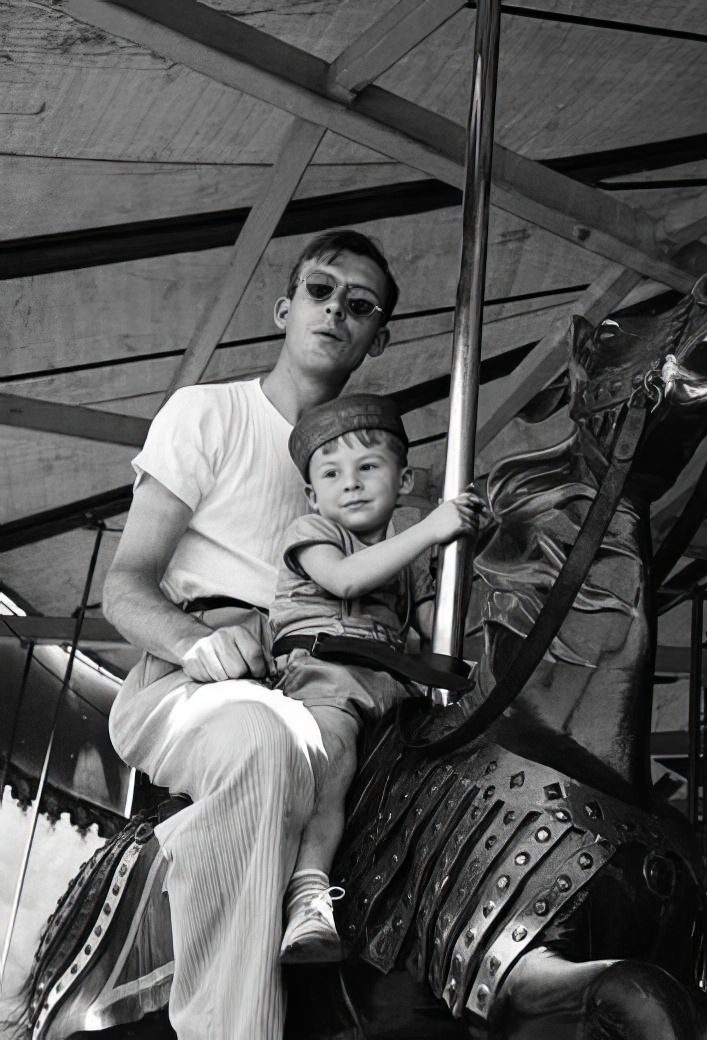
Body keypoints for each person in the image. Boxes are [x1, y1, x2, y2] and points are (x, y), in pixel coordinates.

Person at [103, 229, 397, 1040]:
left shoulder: (364, 473)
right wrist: (197, 643)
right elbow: (124, 586)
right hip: (198, 682)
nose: (337, 309)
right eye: (321, 290)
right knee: (264, 743)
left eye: (360, 305)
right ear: (285, 306)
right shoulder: (209, 414)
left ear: (379, 336)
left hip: (321, 685)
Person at [269, 393, 482, 963]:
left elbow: (440, 634)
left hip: (393, 689)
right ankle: (308, 893)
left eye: (368, 467)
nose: (352, 483)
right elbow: (343, 580)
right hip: (324, 676)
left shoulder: (409, 559)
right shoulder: (312, 531)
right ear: (313, 493)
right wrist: (430, 530)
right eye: (332, 473)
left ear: (403, 477)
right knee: (330, 755)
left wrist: (462, 565)